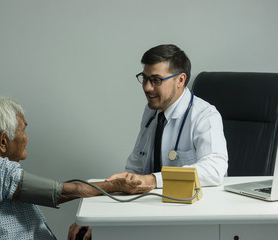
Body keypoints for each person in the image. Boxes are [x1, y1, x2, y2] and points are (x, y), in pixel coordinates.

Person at [68, 44, 228, 239]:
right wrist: (99, 218)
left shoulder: (205, 116)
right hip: (151, 211)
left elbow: (215, 169)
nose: (147, 87)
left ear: (180, 79)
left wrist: (153, 180)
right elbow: (135, 166)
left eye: (156, 80)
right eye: (145, 78)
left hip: (191, 220)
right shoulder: (152, 111)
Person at [0, 96, 153, 240]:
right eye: (24, 131)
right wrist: (115, 185)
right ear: (3, 141)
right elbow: (57, 193)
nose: (27, 138)